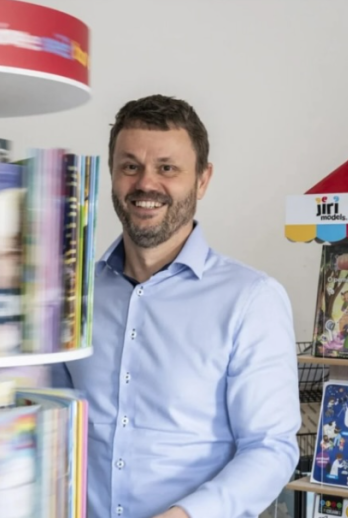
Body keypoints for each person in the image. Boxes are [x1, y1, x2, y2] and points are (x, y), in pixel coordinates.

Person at [52, 94, 301, 518]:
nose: (146, 184)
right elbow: (49, 420)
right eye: (130, 166)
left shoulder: (252, 299)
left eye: (167, 168)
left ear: (202, 180)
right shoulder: (72, 293)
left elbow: (270, 447)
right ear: (112, 173)